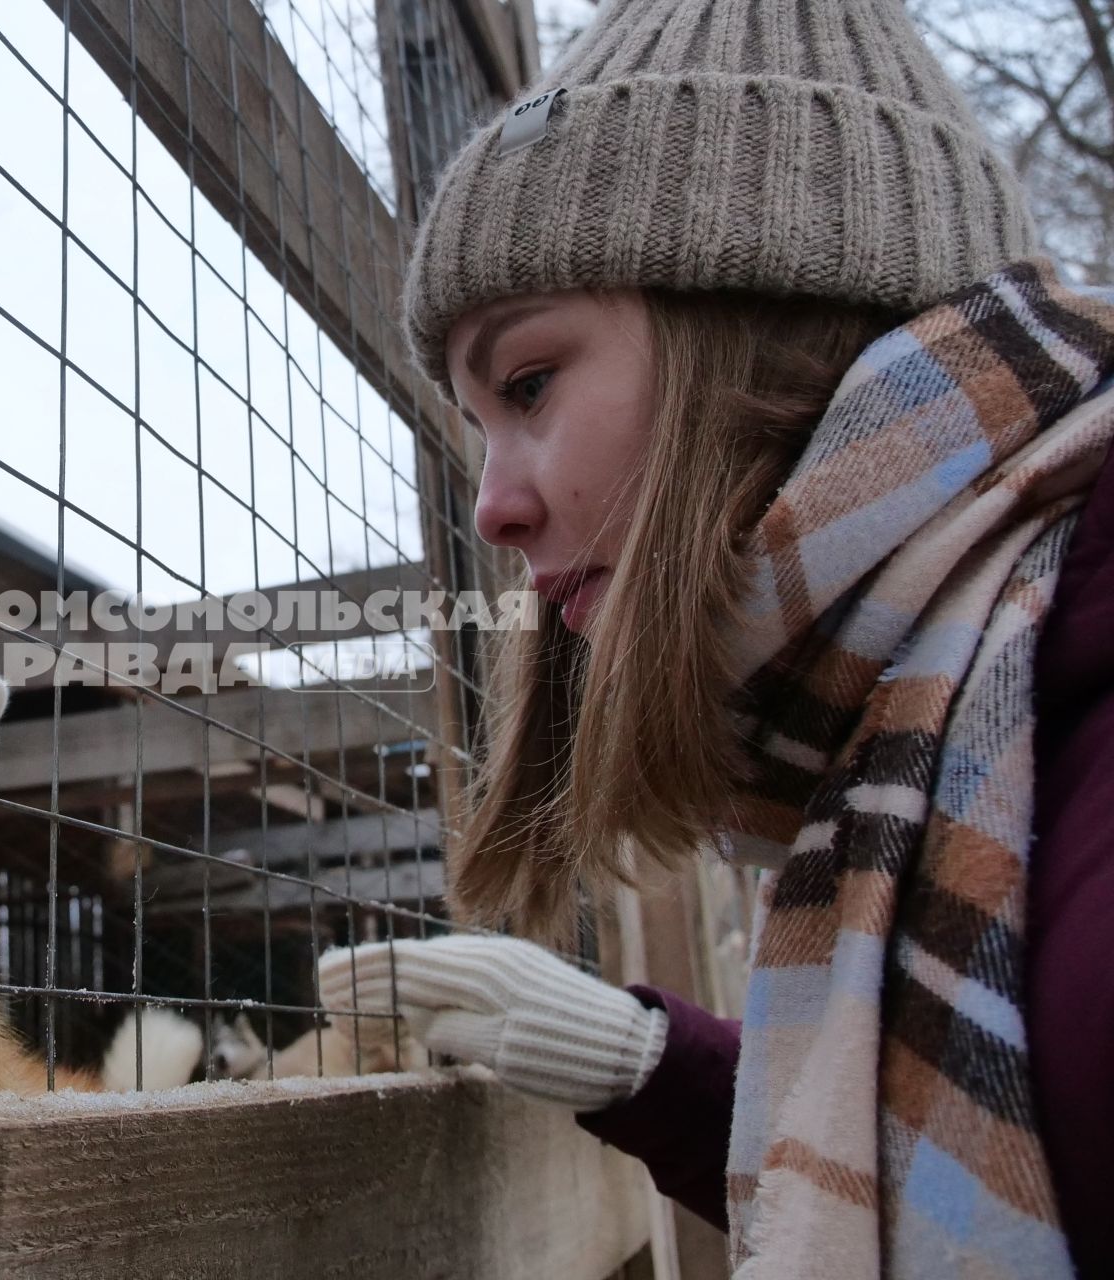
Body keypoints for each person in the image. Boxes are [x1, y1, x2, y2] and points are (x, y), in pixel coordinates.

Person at [316, 1, 1114, 1276]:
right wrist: (654, 1067)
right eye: (473, 426)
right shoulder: (922, 715)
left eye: (527, 385)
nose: (491, 505)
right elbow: (978, 1113)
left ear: (763, 307)